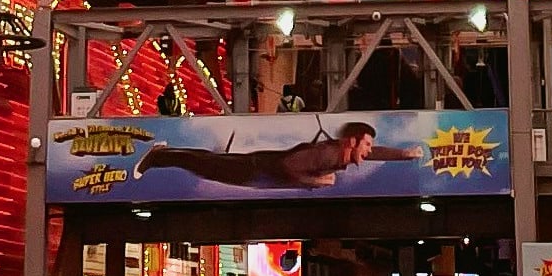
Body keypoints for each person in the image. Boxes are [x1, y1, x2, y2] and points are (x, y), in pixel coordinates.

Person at [138, 122, 421, 190]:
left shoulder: (341, 155)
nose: (369, 151)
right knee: (204, 165)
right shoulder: (327, 155)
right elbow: (289, 166)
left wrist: (404, 154)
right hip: (254, 170)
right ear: (352, 141)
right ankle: (159, 155)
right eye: (366, 145)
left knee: (205, 164)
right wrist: (316, 181)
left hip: (257, 171)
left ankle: (163, 153)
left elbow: (376, 153)